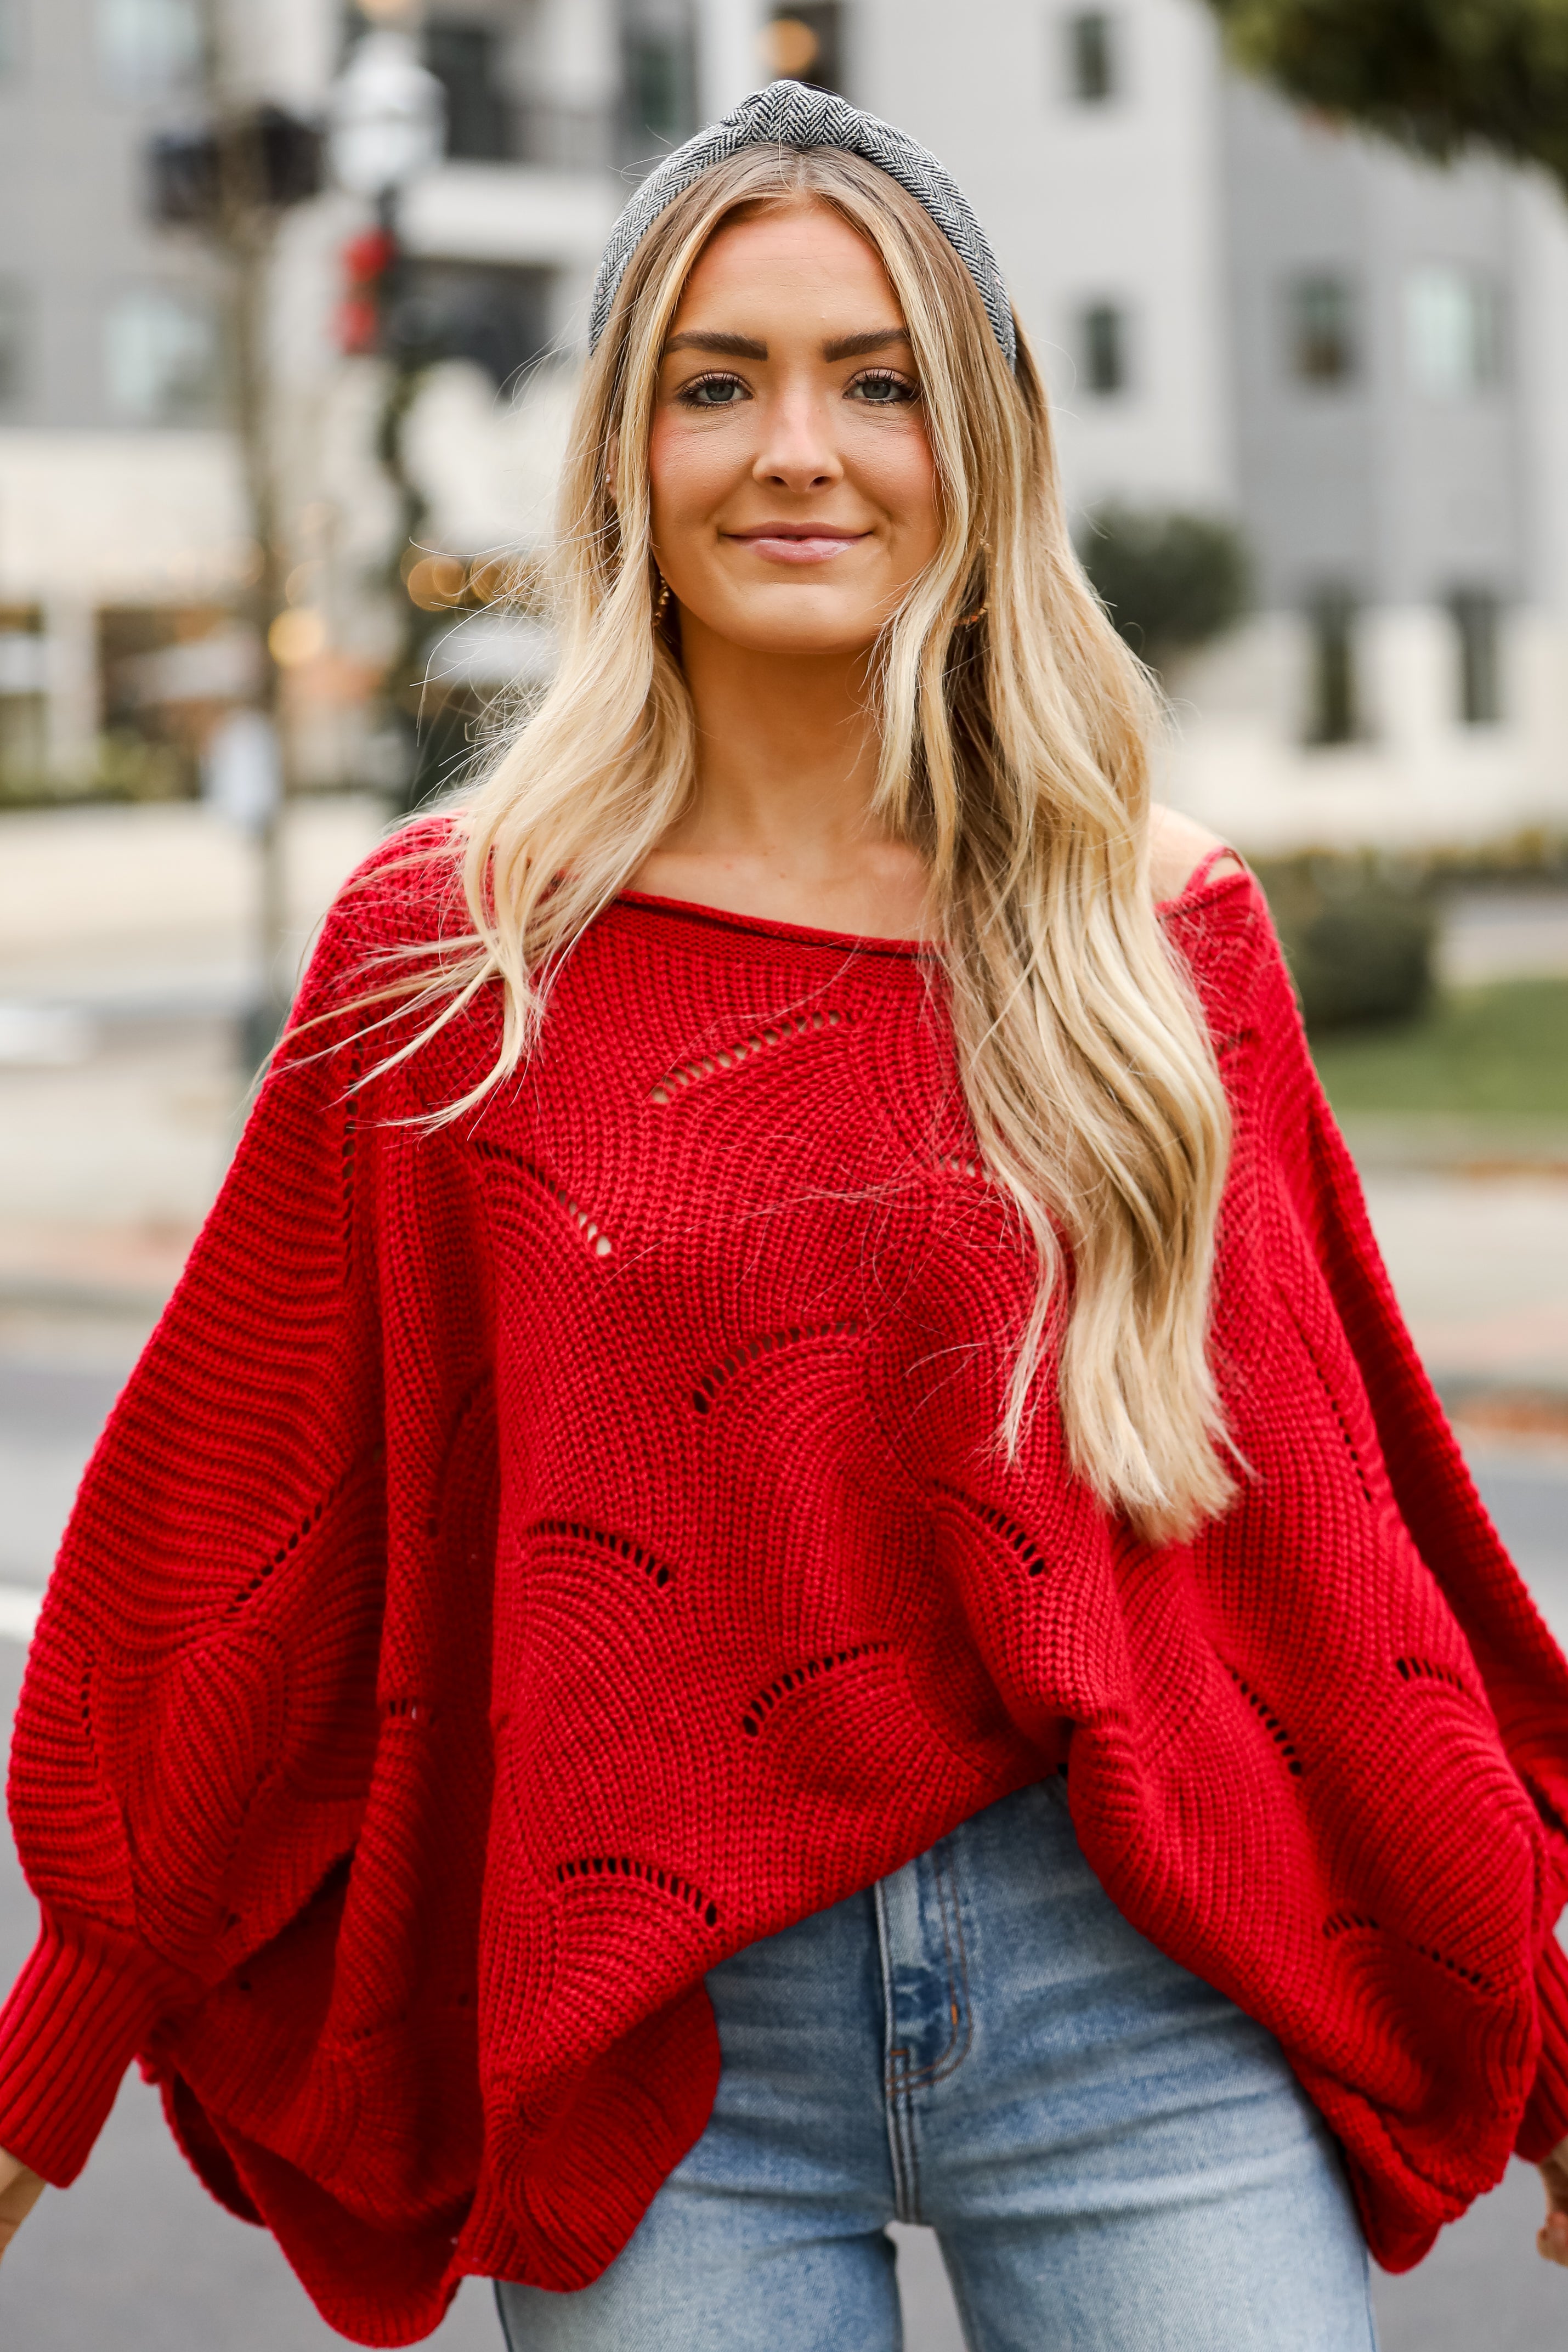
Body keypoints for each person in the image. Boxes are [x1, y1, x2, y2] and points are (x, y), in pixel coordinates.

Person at [0, 78, 1565, 2351]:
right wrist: (48, 2071)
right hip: (665, 2035)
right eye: (715, 383)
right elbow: (245, 1548)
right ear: (625, 449)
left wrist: (1536, 2025)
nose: (795, 450)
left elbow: (1330, 1550)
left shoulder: (1157, 933)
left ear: (979, 444)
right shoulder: (452, 955)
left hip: (1136, 1992)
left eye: (876, 379)